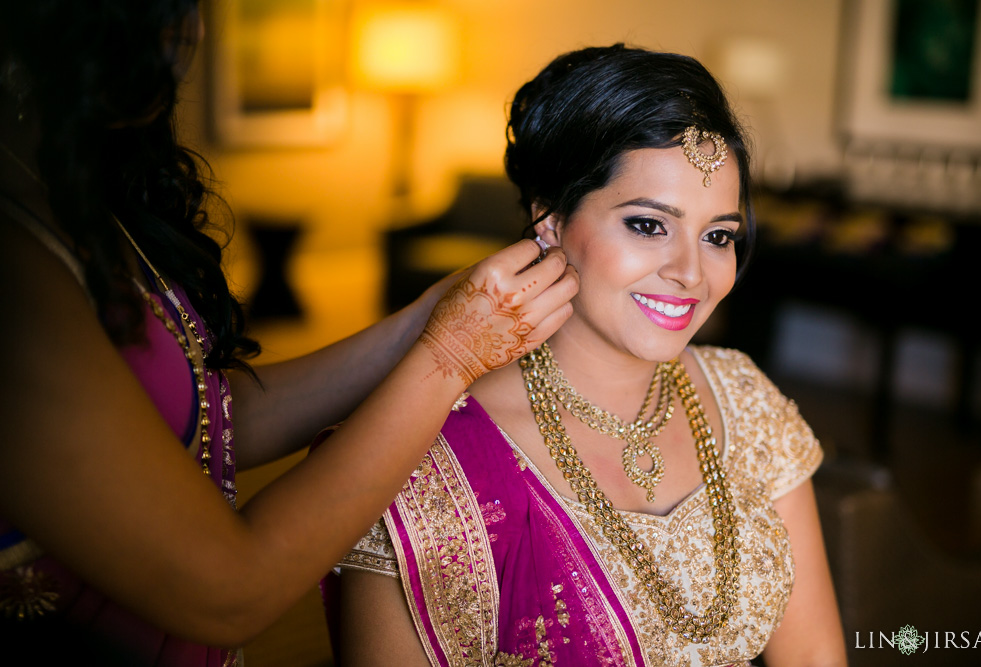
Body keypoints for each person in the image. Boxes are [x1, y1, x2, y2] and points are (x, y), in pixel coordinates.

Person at [0, 2, 578, 664]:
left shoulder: (69, 200)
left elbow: (210, 422)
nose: (190, 32)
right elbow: (226, 589)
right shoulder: (16, 275)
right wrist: (447, 355)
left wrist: (426, 317)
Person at [333, 44, 848, 666]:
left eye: (718, 236)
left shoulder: (745, 399)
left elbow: (816, 654)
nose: (690, 273)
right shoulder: (425, 456)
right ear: (549, 220)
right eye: (648, 225)